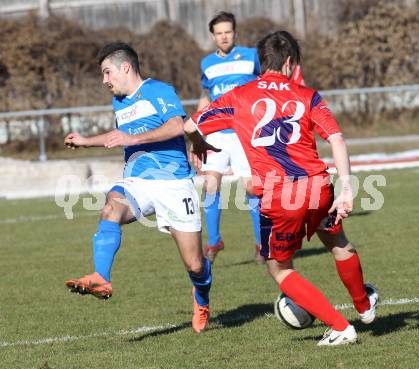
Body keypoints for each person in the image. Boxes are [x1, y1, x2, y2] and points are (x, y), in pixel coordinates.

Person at [184, 31, 379, 345]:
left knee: (279, 268)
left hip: (279, 196)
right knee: (338, 241)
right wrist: (346, 190)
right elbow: (337, 139)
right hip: (319, 187)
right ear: (289, 63)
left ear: (261, 63)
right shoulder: (308, 94)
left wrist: (198, 145)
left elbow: (190, 125)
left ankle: (341, 327)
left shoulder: (238, 96)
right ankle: (364, 306)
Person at [63, 42, 212, 333]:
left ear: (126, 68)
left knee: (195, 265)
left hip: (174, 184)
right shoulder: (119, 102)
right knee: (110, 207)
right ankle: (100, 276)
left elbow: (175, 127)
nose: (104, 80)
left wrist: (135, 139)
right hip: (137, 181)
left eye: (107, 73)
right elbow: (120, 135)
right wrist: (85, 140)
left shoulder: (160, 91)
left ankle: (202, 297)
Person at [197, 11, 263, 263]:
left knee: (251, 188)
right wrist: (199, 127)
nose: (224, 36)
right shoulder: (207, 64)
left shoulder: (251, 57)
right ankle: (214, 242)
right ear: (213, 37)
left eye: (228, 32)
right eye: (219, 33)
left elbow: (264, 84)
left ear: (235, 33)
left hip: (244, 133)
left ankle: (260, 245)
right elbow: (206, 95)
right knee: (210, 185)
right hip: (217, 133)